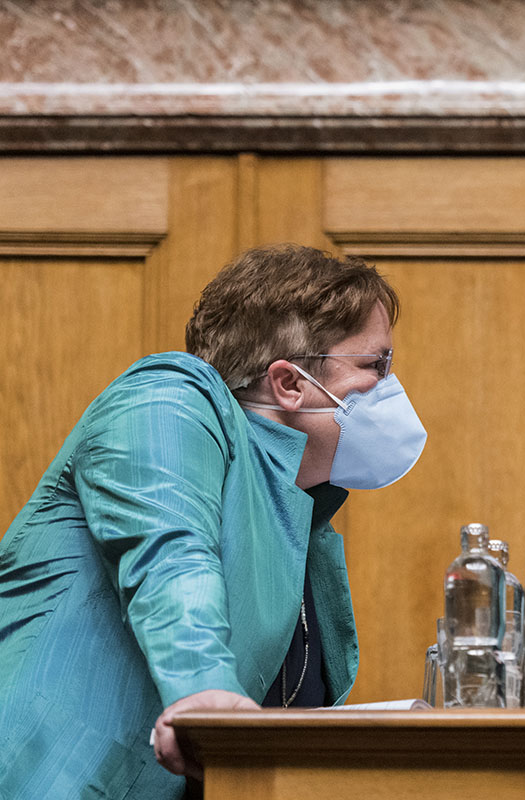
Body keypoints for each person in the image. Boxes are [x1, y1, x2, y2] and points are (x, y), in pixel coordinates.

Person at [0, 244, 426, 798]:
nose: (390, 387)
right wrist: (205, 692)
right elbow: (168, 551)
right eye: (376, 366)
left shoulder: (303, 516)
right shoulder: (167, 396)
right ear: (290, 383)